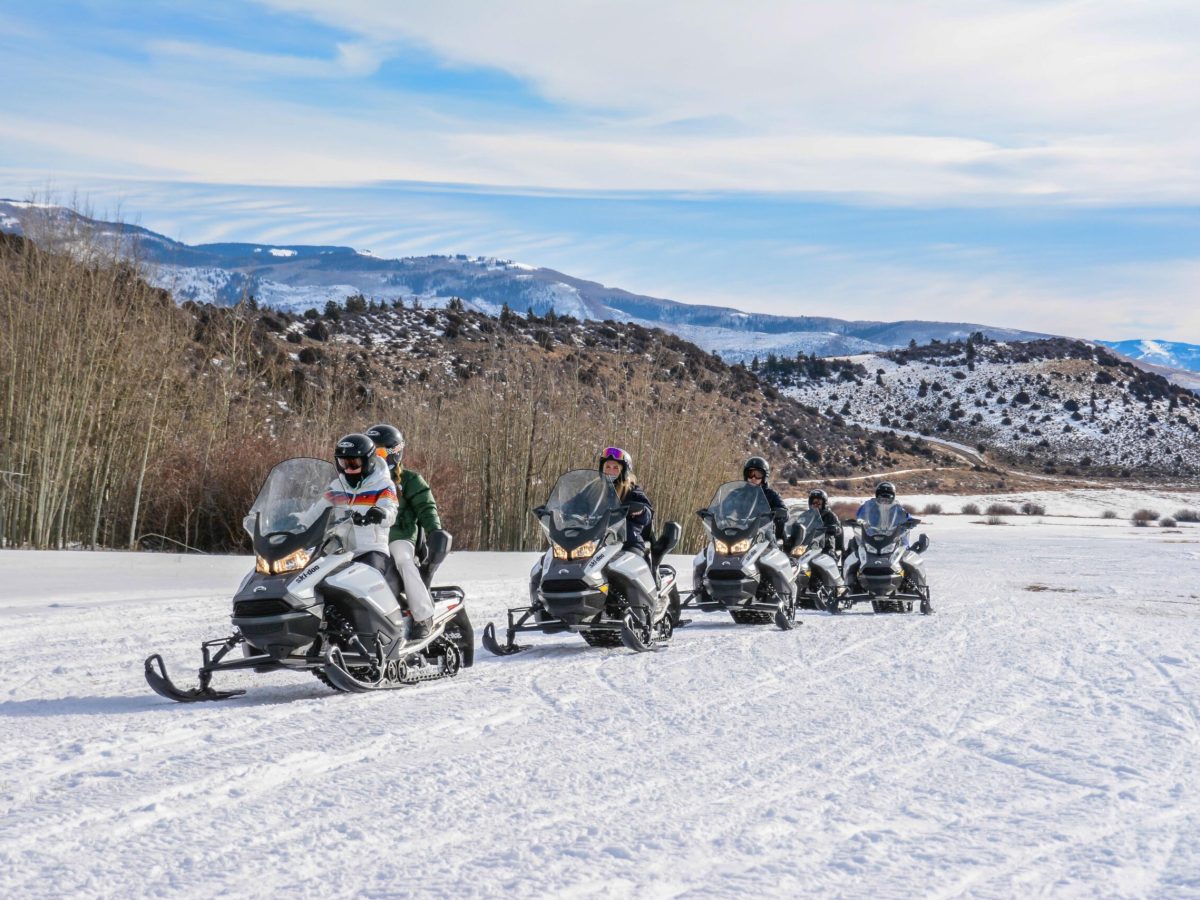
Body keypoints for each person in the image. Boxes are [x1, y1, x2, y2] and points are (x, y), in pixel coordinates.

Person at [364, 423, 442, 640]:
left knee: (403, 560)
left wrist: (435, 530)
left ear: (394, 453)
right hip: (367, 538)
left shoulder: (409, 480)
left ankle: (422, 615)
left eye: (379, 452)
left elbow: (426, 507)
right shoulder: (361, 482)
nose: (374, 458)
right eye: (371, 452)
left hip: (399, 536)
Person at [295, 433, 397, 576]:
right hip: (337, 550)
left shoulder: (384, 485)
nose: (348, 469)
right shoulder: (337, 486)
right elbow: (317, 511)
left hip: (370, 550)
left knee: (366, 578)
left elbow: (391, 511)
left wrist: (380, 513)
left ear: (369, 461)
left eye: (353, 463)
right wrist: (299, 523)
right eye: (343, 463)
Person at [806, 488, 843, 558]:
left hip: (826, 546)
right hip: (809, 546)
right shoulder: (807, 516)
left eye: (819, 503)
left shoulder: (830, 515)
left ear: (824, 503)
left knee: (829, 556)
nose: (816, 504)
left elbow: (838, 528)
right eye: (814, 502)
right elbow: (799, 526)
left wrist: (833, 528)